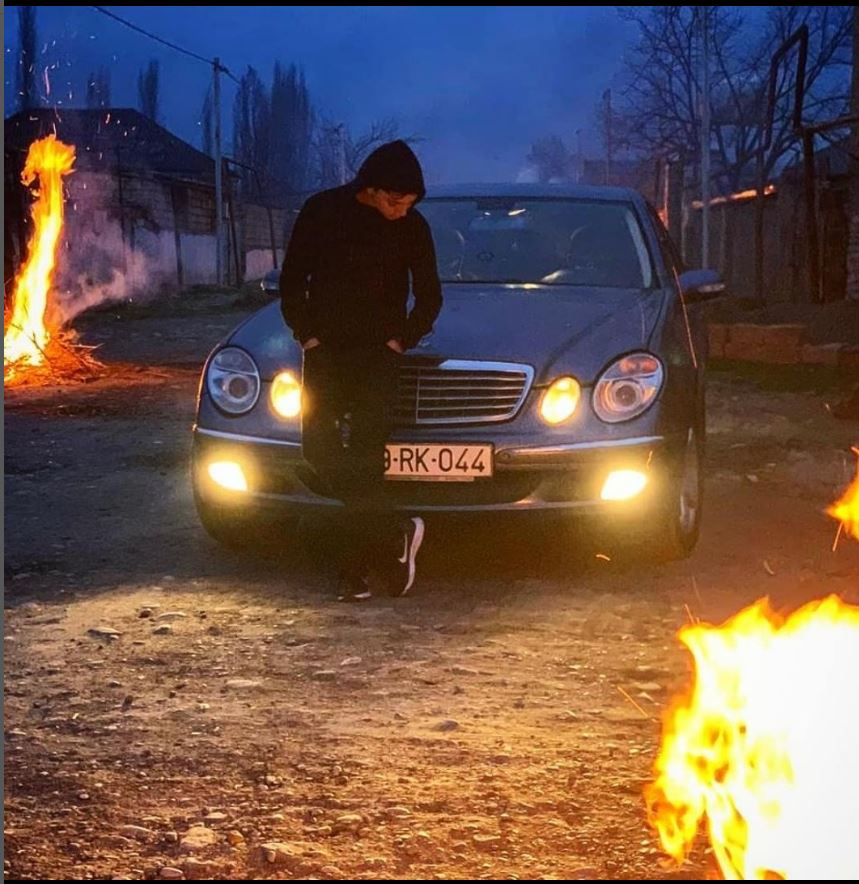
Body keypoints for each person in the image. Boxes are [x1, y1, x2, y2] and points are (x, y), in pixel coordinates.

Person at [280, 140, 442, 601]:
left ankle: (353, 575)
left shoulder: (413, 227)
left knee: (366, 458)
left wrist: (402, 339)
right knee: (320, 448)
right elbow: (292, 279)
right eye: (396, 201)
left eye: (409, 204)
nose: (402, 211)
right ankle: (394, 531)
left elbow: (430, 294)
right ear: (371, 188)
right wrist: (307, 334)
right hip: (325, 354)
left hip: (378, 357)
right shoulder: (322, 211)